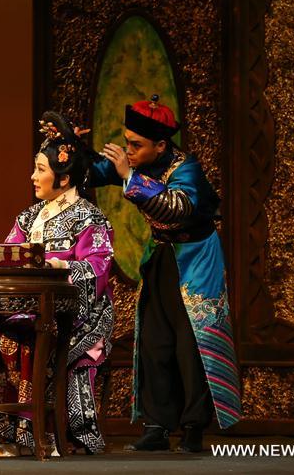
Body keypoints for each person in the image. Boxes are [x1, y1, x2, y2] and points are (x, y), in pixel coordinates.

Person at [89, 94, 241, 453]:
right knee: (156, 340)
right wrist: (67, 145)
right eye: (127, 143)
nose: (130, 150)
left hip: (196, 257)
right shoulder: (137, 161)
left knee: (191, 344)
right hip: (161, 254)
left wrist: (129, 175)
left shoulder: (185, 168)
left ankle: (192, 427)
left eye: (136, 145)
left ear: (161, 145)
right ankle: (156, 425)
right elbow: (89, 172)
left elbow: (177, 209)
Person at [0, 111, 115, 456]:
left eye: (41, 169)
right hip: (36, 307)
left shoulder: (89, 218)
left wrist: (58, 267)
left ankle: (48, 432)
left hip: (83, 313)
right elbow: (10, 255)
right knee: (7, 333)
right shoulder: (28, 217)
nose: (33, 177)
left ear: (64, 179)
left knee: (42, 336)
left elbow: (98, 268)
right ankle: (7, 431)